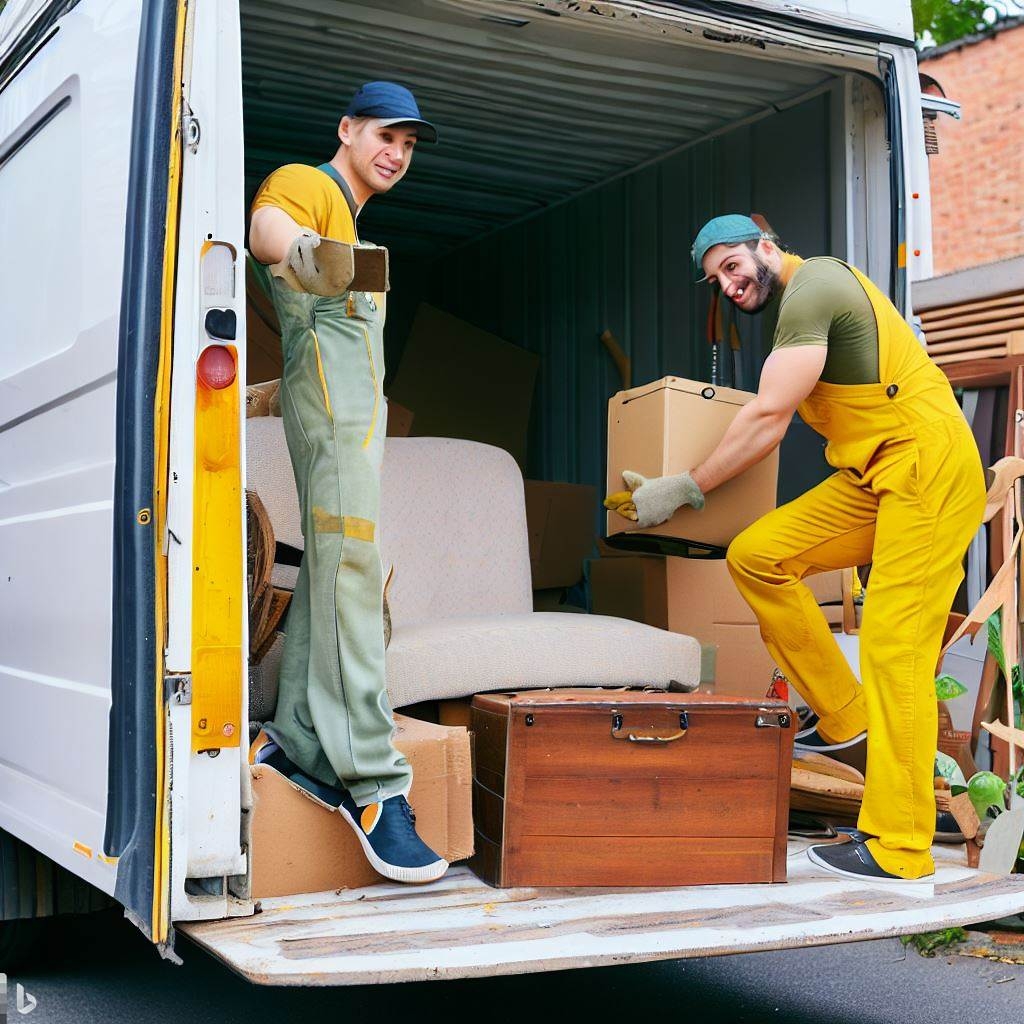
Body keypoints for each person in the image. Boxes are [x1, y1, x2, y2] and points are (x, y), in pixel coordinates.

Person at [605, 214, 985, 882]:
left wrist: (684, 487)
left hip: (925, 466)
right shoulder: (795, 308)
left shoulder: (814, 288)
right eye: (715, 277)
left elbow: (767, 418)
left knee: (895, 647)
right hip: (873, 474)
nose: (726, 284)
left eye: (731, 265)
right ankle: (847, 716)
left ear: (765, 246)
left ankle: (900, 846)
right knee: (758, 555)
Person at [247, 82, 447, 883]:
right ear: (347, 129)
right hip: (330, 411)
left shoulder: (352, 218)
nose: (396, 152)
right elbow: (268, 227)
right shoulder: (313, 185)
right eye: (385, 135)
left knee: (337, 570)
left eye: (409, 143)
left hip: (351, 419)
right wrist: (301, 251)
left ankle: (297, 741)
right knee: (354, 571)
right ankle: (371, 784)